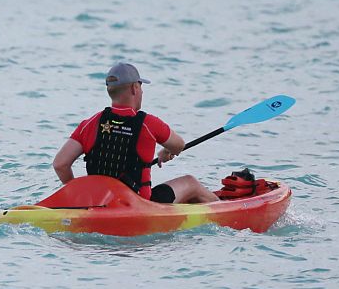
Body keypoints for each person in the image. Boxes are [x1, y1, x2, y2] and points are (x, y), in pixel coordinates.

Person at [52, 62, 218, 204]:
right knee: (190, 182)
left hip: (98, 202)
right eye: (141, 87)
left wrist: (78, 195)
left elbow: (60, 164)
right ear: (134, 88)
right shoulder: (148, 124)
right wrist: (167, 150)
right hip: (141, 205)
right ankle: (228, 209)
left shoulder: (90, 124)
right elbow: (179, 145)